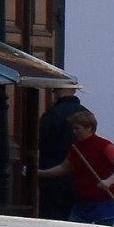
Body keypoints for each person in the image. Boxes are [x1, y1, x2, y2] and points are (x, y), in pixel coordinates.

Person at [66, 109, 114, 226]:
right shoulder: (76, 148)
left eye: (77, 128)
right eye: (73, 128)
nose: (74, 132)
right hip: (83, 200)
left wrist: (109, 181)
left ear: (89, 128)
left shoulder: (104, 145)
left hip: (104, 201)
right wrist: (40, 173)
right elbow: (64, 168)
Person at [33, 89, 85, 219]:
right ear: (74, 91)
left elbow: (40, 141)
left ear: (56, 92)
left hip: (52, 172)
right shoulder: (86, 113)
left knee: (53, 217)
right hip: (78, 174)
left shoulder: (53, 114)